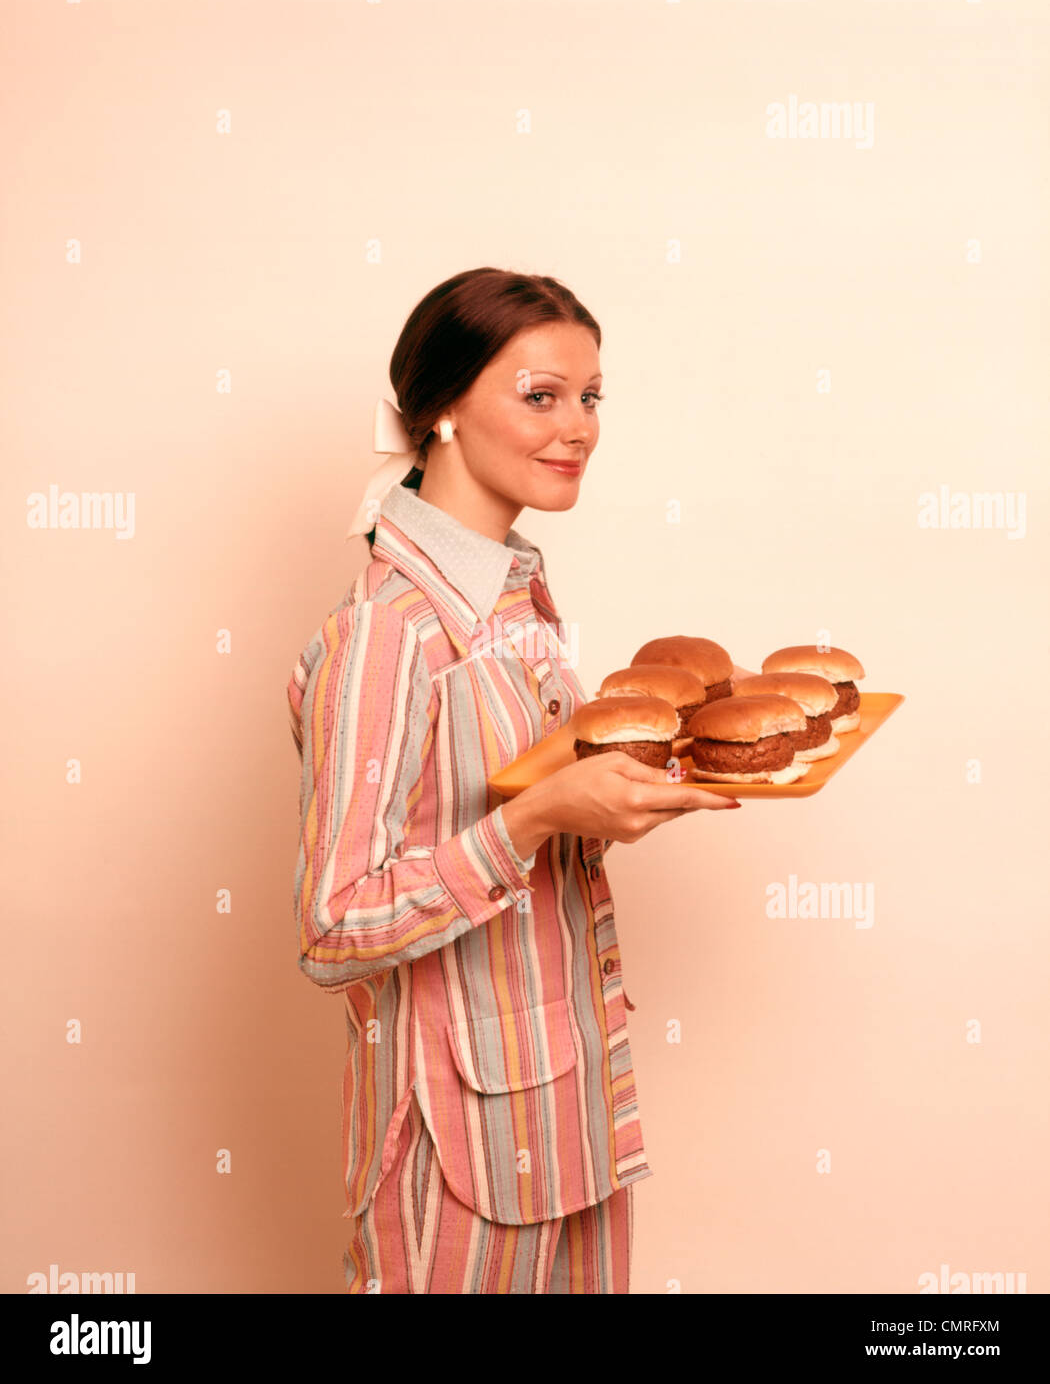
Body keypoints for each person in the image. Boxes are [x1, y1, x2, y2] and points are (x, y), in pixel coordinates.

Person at [286, 266, 743, 1294]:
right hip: (461, 1153)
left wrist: (609, 799)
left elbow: (508, 808)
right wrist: (537, 818)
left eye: (590, 397)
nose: (578, 426)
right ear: (443, 410)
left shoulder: (518, 597)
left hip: (571, 1111)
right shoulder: (386, 634)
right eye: (541, 395)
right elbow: (331, 927)